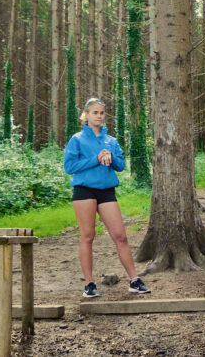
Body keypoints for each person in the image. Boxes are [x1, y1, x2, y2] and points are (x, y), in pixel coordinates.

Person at [63, 98, 150, 297]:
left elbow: (120, 166)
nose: (99, 116)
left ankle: (134, 280)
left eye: (102, 113)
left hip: (106, 191)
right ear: (86, 115)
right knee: (87, 236)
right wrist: (95, 159)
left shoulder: (111, 140)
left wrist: (110, 156)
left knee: (120, 235)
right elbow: (69, 167)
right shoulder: (77, 139)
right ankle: (89, 284)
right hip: (84, 191)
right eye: (95, 113)